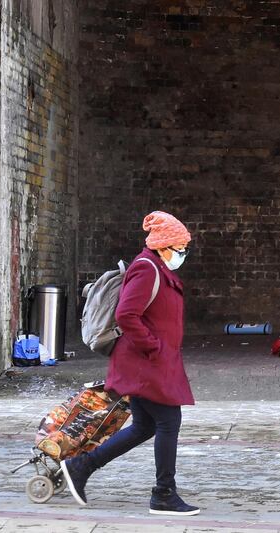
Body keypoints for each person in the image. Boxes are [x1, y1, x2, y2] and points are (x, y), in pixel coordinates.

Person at [61, 211, 198, 516]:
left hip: (151, 361)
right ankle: (164, 494)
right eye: (180, 249)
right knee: (168, 422)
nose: (183, 254)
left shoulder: (159, 268)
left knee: (144, 426)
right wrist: (153, 346)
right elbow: (126, 314)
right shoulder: (147, 269)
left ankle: (80, 467)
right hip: (145, 362)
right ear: (163, 247)